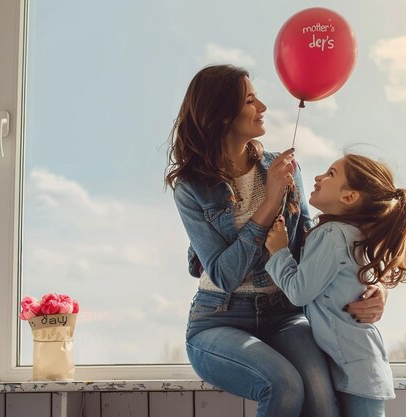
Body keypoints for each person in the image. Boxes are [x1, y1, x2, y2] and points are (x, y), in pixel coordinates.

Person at [165, 64, 389, 417]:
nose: (263, 107)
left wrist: (368, 283)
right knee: (283, 385)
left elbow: (313, 246)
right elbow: (224, 275)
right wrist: (269, 204)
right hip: (219, 320)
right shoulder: (192, 187)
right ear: (221, 115)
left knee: (322, 403)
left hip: (285, 315)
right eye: (251, 100)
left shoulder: (283, 168)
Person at [264, 154, 406, 417]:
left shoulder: (331, 234)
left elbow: (299, 292)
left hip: (354, 370)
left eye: (331, 174)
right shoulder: (355, 235)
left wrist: (278, 252)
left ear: (349, 197)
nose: (318, 177)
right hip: (360, 367)